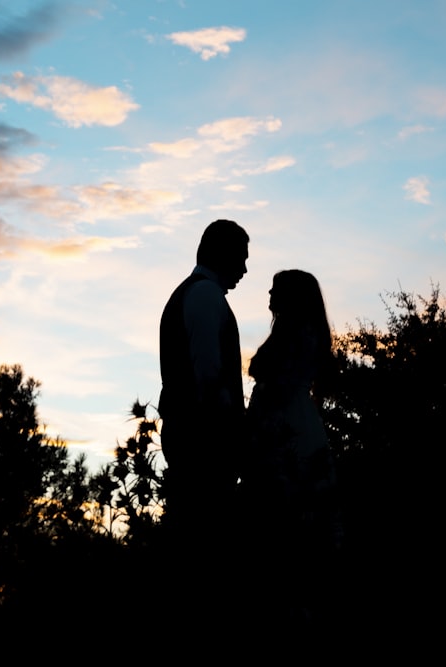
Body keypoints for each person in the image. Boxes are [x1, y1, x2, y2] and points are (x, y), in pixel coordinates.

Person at [244, 270, 342, 626]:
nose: (268, 292)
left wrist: (256, 435)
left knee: (290, 513)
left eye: (276, 288)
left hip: (288, 428)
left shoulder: (295, 334)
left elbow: (278, 388)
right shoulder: (300, 332)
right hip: (296, 423)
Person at [158, 219, 249, 540]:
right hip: (204, 448)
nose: (245, 269)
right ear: (223, 254)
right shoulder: (205, 295)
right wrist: (232, 441)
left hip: (192, 442)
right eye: (242, 257)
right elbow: (209, 378)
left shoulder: (192, 293)